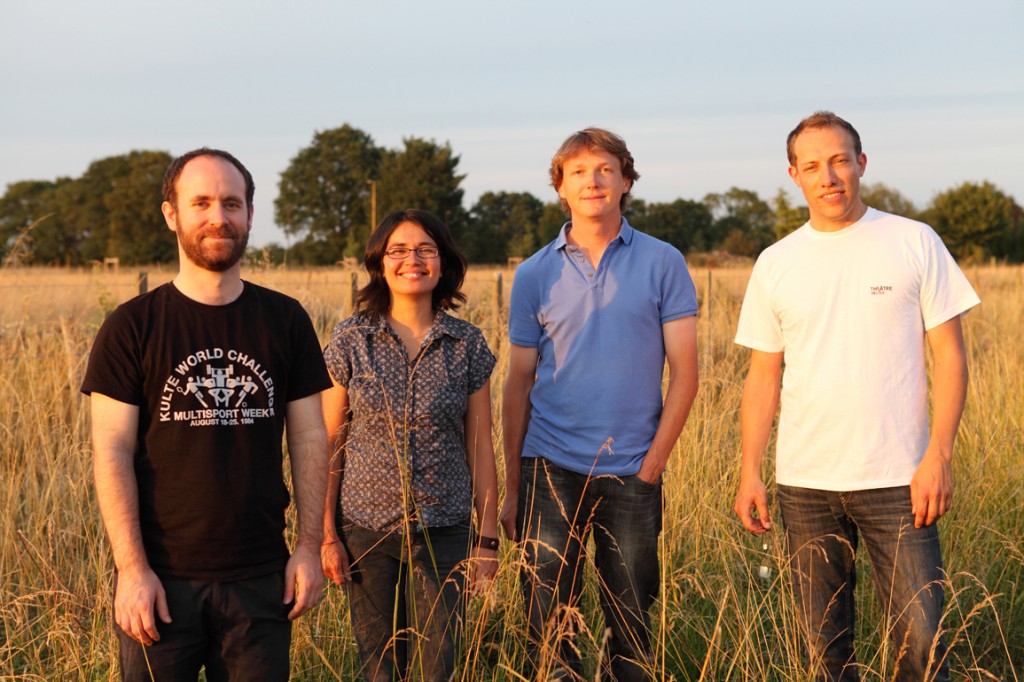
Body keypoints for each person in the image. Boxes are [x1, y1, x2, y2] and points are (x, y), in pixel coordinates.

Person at [733, 111, 980, 681]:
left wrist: (938, 457)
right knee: (823, 651)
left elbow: (951, 358)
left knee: (921, 641)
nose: (830, 176)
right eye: (813, 165)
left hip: (900, 479)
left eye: (841, 160)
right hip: (805, 484)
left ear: (862, 164)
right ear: (794, 174)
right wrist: (751, 469)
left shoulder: (914, 241)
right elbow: (762, 376)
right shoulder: (777, 262)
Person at [82, 148, 331, 681]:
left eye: (232, 203)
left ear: (249, 214)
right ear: (172, 214)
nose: (218, 217)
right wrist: (132, 570)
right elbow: (112, 450)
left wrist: (308, 550)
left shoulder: (285, 320)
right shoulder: (132, 327)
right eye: (201, 203)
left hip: (263, 577)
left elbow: (311, 437)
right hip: (161, 582)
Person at [501, 128, 699, 681]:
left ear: (626, 181)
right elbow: (517, 382)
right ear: (560, 187)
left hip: (634, 467)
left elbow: (686, 373)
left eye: (606, 169)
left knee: (630, 624)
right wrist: (515, 483)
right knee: (547, 621)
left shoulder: (664, 262)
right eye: (579, 171)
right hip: (550, 467)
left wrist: (654, 463)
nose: (593, 180)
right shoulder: (534, 274)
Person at [320, 208, 499, 681]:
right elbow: (329, 443)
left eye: (425, 249)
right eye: (398, 250)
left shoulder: (466, 344)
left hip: (445, 529)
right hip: (365, 529)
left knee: (436, 668)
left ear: (443, 263)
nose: (412, 260)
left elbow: (481, 447)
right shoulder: (351, 339)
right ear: (380, 263)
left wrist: (487, 540)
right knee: (379, 669)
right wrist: (325, 535)